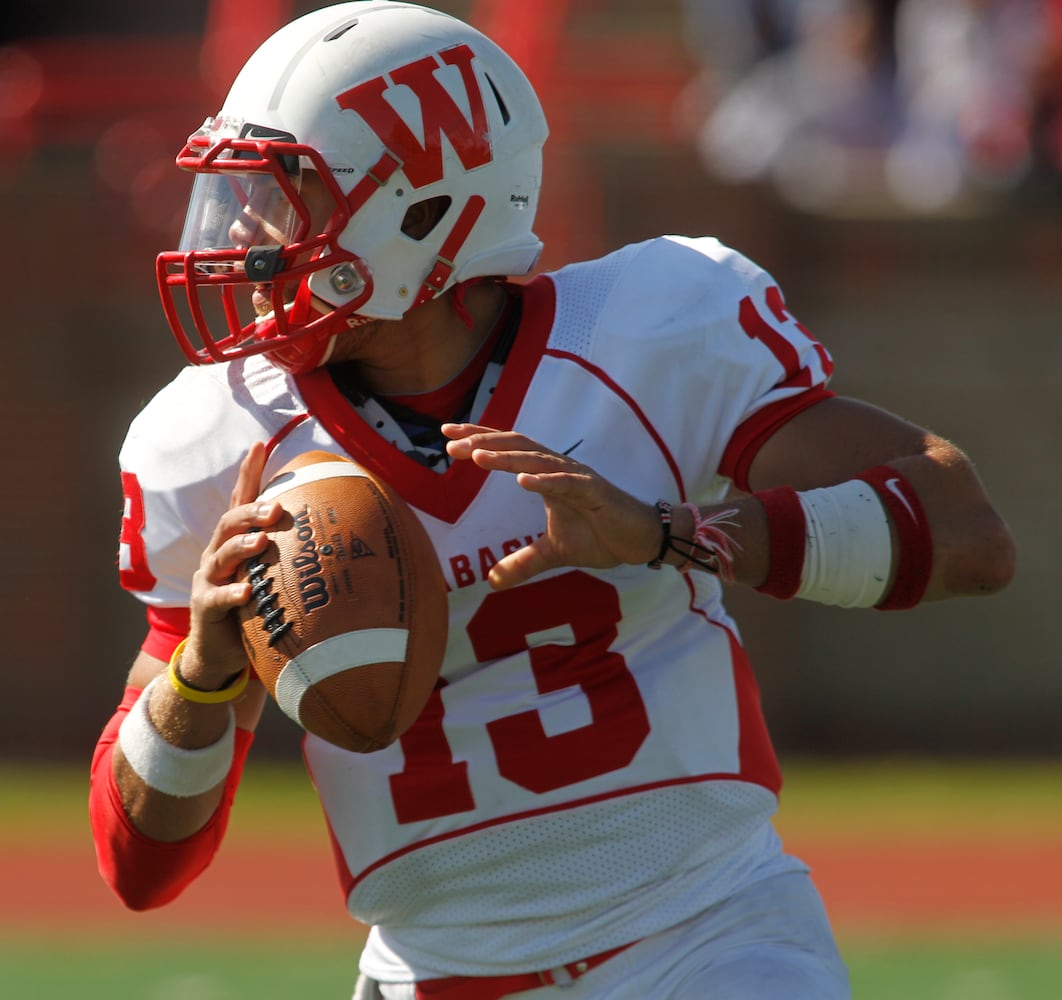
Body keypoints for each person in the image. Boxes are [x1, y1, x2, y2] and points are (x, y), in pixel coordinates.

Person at [89, 3, 1015, 998]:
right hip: (429, 975)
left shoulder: (643, 336)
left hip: (706, 939)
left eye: (290, 194)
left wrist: (674, 533)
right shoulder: (218, 444)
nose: (251, 234)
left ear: (424, 209)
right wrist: (199, 675)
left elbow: (965, 533)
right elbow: (139, 869)